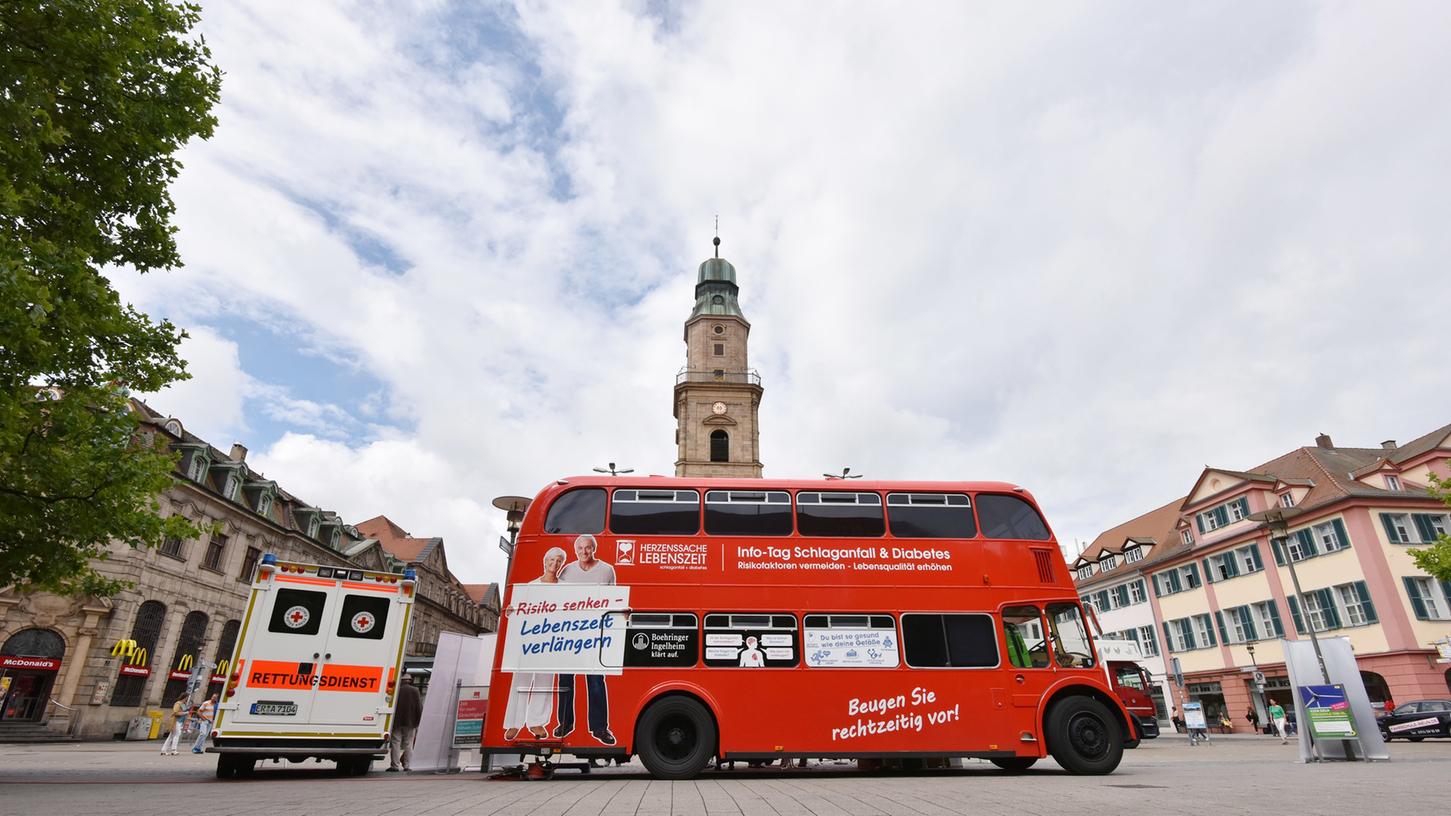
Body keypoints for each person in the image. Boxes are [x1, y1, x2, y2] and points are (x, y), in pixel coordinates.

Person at [554, 534, 616, 745]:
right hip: (569, 633)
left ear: (594, 549)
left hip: (595, 634)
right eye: (580, 548)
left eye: (588, 548)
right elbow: (557, 600)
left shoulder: (607, 570)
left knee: (596, 681)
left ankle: (599, 728)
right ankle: (565, 723)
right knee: (565, 679)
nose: (584, 552)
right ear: (575, 550)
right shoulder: (567, 571)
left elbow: (612, 600)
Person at [502, 547, 567, 740]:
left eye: (558, 561)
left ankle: (536, 722)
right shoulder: (530, 587)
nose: (555, 564)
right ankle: (514, 723)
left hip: (552, 641)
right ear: (545, 561)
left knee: (545, 682)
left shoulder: (566, 588)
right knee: (520, 681)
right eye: (552, 560)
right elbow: (515, 612)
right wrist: (510, 611)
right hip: (529, 640)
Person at [388, 675, 423, 772]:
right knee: (408, 744)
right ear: (410, 681)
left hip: (397, 722)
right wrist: (419, 721)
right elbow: (419, 707)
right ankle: (407, 765)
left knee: (396, 743)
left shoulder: (396, 690)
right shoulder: (415, 690)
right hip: (411, 722)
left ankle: (394, 766)